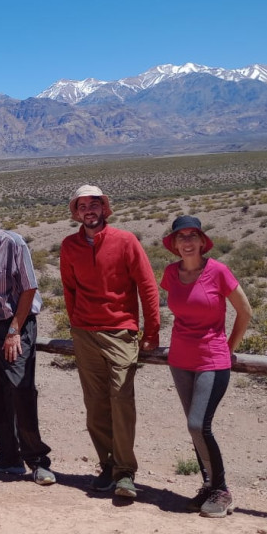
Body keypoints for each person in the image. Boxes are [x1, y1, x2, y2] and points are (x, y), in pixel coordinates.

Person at [59, 184, 160, 499]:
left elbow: (147, 285)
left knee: (121, 401)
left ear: (104, 208)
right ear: (76, 212)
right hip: (84, 333)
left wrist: (152, 330)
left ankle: (125, 472)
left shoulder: (125, 241)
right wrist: (77, 323)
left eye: (94, 204)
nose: (88, 210)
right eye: (82, 206)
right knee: (95, 405)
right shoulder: (69, 245)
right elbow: (69, 288)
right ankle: (107, 465)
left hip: (119, 331)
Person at [160, 215, 251, 518]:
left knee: (199, 424)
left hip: (212, 358)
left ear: (202, 241)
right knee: (195, 428)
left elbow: (244, 310)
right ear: (174, 244)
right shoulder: (171, 274)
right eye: (180, 237)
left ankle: (222, 490)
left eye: (192, 236)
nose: (187, 242)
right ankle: (208, 487)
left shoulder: (218, 272)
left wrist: (228, 348)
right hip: (180, 358)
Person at [0, 198, 55, 486]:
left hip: (17, 323)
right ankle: (9, 455)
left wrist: (15, 330)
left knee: (20, 389)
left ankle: (38, 460)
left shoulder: (14, 243)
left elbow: (29, 288)